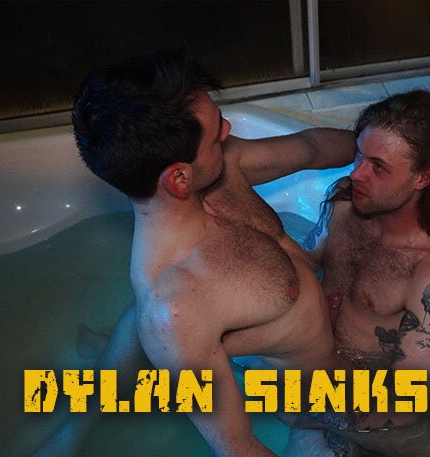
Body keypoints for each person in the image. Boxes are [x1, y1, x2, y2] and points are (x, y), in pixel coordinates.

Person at [34, 50, 357, 457]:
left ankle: (106, 389)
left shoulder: (222, 165)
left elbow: (311, 148)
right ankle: (80, 428)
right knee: (159, 324)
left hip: (290, 331)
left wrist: (381, 144)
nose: (228, 130)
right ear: (179, 179)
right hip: (308, 400)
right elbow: (238, 447)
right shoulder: (176, 308)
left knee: (141, 322)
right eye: (215, 132)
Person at [293, 90, 430, 456]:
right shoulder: (346, 200)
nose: (356, 173)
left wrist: (310, 408)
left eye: (378, 166)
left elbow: (407, 403)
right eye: (359, 155)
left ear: (422, 177)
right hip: (308, 357)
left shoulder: (429, 270)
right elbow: (308, 258)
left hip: (363, 396)